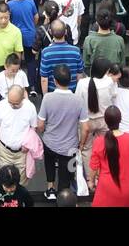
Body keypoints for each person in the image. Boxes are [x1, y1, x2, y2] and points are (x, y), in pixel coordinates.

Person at [36, 63, 89, 200]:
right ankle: (64, 196)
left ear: (54, 80)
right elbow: (85, 127)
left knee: (49, 164)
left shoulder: (47, 98)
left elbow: (40, 124)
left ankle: (50, 188)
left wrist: (43, 132)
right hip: (70, 146)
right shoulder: (78, 100)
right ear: (70, 79)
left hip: (50, 142)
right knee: (67, 176)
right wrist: (81, 144)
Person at [88, 105, 129, 207]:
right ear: (120, 119)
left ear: (106, 121)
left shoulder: (99, 141)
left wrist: (91, 181)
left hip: (107, 187)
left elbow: (94, 166)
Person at [0, 86, 39, 184]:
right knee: (4, 181)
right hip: (4, 151)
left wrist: (28, 144)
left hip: (22, 153)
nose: (12, 105)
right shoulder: (2, 105)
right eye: (10, 102)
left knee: (20, 182)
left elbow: (33, 128)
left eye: (15, 103)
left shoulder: (30, 107)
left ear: (23, 98)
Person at [37, 18, 84, 93]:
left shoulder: (46, 52)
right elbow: (80, 75)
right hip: (72, 92)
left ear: (50, 32)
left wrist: (46, 96)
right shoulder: (76, 51)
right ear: (65, 32)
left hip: (53, 92)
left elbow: (44, 79)